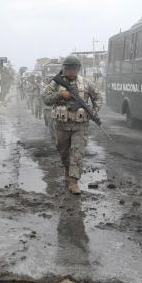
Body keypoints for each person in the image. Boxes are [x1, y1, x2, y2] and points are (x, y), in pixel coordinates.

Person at [41, 55, 102, 195]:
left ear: (78, 69)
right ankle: (67, 169)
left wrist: (95, 109)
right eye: (69, 68)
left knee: (77, 152)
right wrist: (61, 95)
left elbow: (98, 97)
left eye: (75, 69)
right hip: (61, 125)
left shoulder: (86, 83)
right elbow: (46, 98)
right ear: (64, 68)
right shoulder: (56, 84)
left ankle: (74, 182)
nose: (72, 72)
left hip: (80, 126)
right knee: (63, 152)